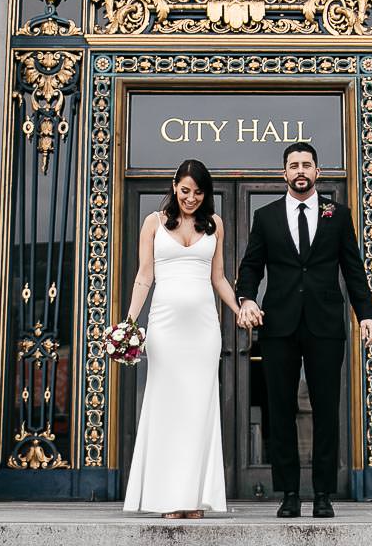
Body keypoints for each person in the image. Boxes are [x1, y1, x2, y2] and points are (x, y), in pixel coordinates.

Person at [235, 142, 372, 519]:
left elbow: (353, 268)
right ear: (284, 173)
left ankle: (324, 493)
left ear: (317, 171)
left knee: (326, 409)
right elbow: (251, 266)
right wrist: (247, 298)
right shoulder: (266, 217)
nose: (300, 170)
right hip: (278, 325)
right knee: (280, 409)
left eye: (307, 165)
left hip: (325, 325)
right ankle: (288, 494)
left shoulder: (338, 215)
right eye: (294, 165)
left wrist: (365, 314)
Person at [121, 158, 242, 518]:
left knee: (198, 410)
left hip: (204, 330)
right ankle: (167, 499)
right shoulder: (153, 223)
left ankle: (193, 498)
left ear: (206, 195)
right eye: (186, 190)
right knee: (167, 408)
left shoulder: (215, 225)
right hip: (165, 328)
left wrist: (238, 310)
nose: (191, 198)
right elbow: (144, 276)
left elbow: (218, 278)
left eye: (198, 192)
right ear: (175, 186)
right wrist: (129, 323)